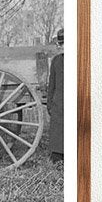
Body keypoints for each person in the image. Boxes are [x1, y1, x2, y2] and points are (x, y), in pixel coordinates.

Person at [46, 26, 64, 162]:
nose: (62, 46)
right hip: (59, 102)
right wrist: (49, 103)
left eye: (64, 44)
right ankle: (57, 157)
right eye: (60, 44)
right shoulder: (56, 61)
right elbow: (51, 84)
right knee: (57, 128)